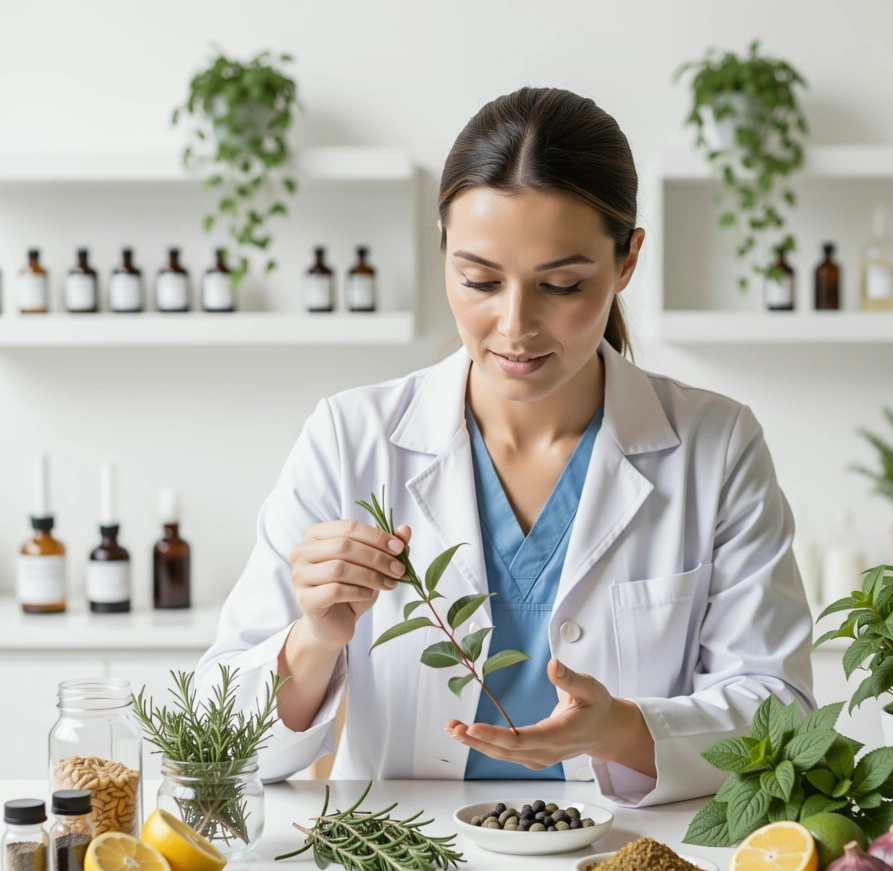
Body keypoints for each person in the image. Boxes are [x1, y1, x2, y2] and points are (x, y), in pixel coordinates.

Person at [194, 85, 814, 806]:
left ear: (627, 262)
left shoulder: (716, 444)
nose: (515, 326)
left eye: (562, 284)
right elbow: (214, 742)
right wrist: (314, 638)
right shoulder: (350, 438)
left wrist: (620, 729)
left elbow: (778, 712)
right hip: (405, 870)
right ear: (444, 255)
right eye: (480, 280)